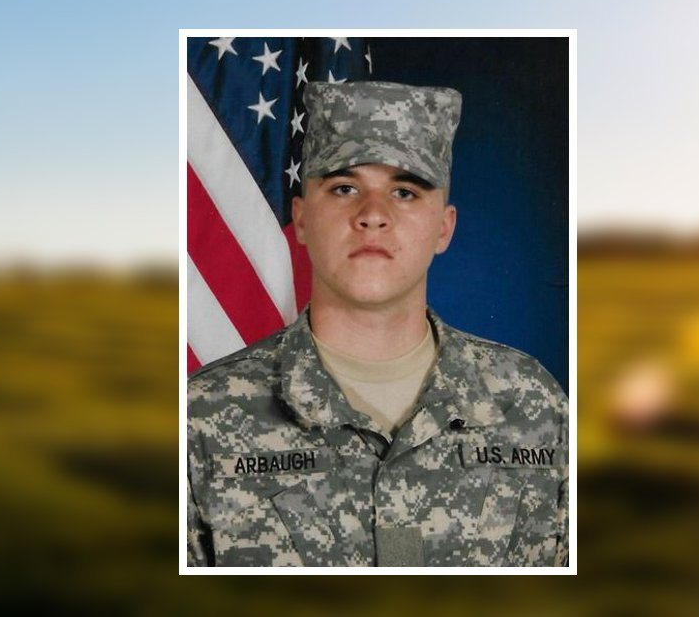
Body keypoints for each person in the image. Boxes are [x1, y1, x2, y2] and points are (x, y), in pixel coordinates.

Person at [186, 80, 568, 567]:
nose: (372, 215)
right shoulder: (201, 416)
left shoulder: (532, 404)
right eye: (344, 188)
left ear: (444, 228)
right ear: (301, 220)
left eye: (405, 192)